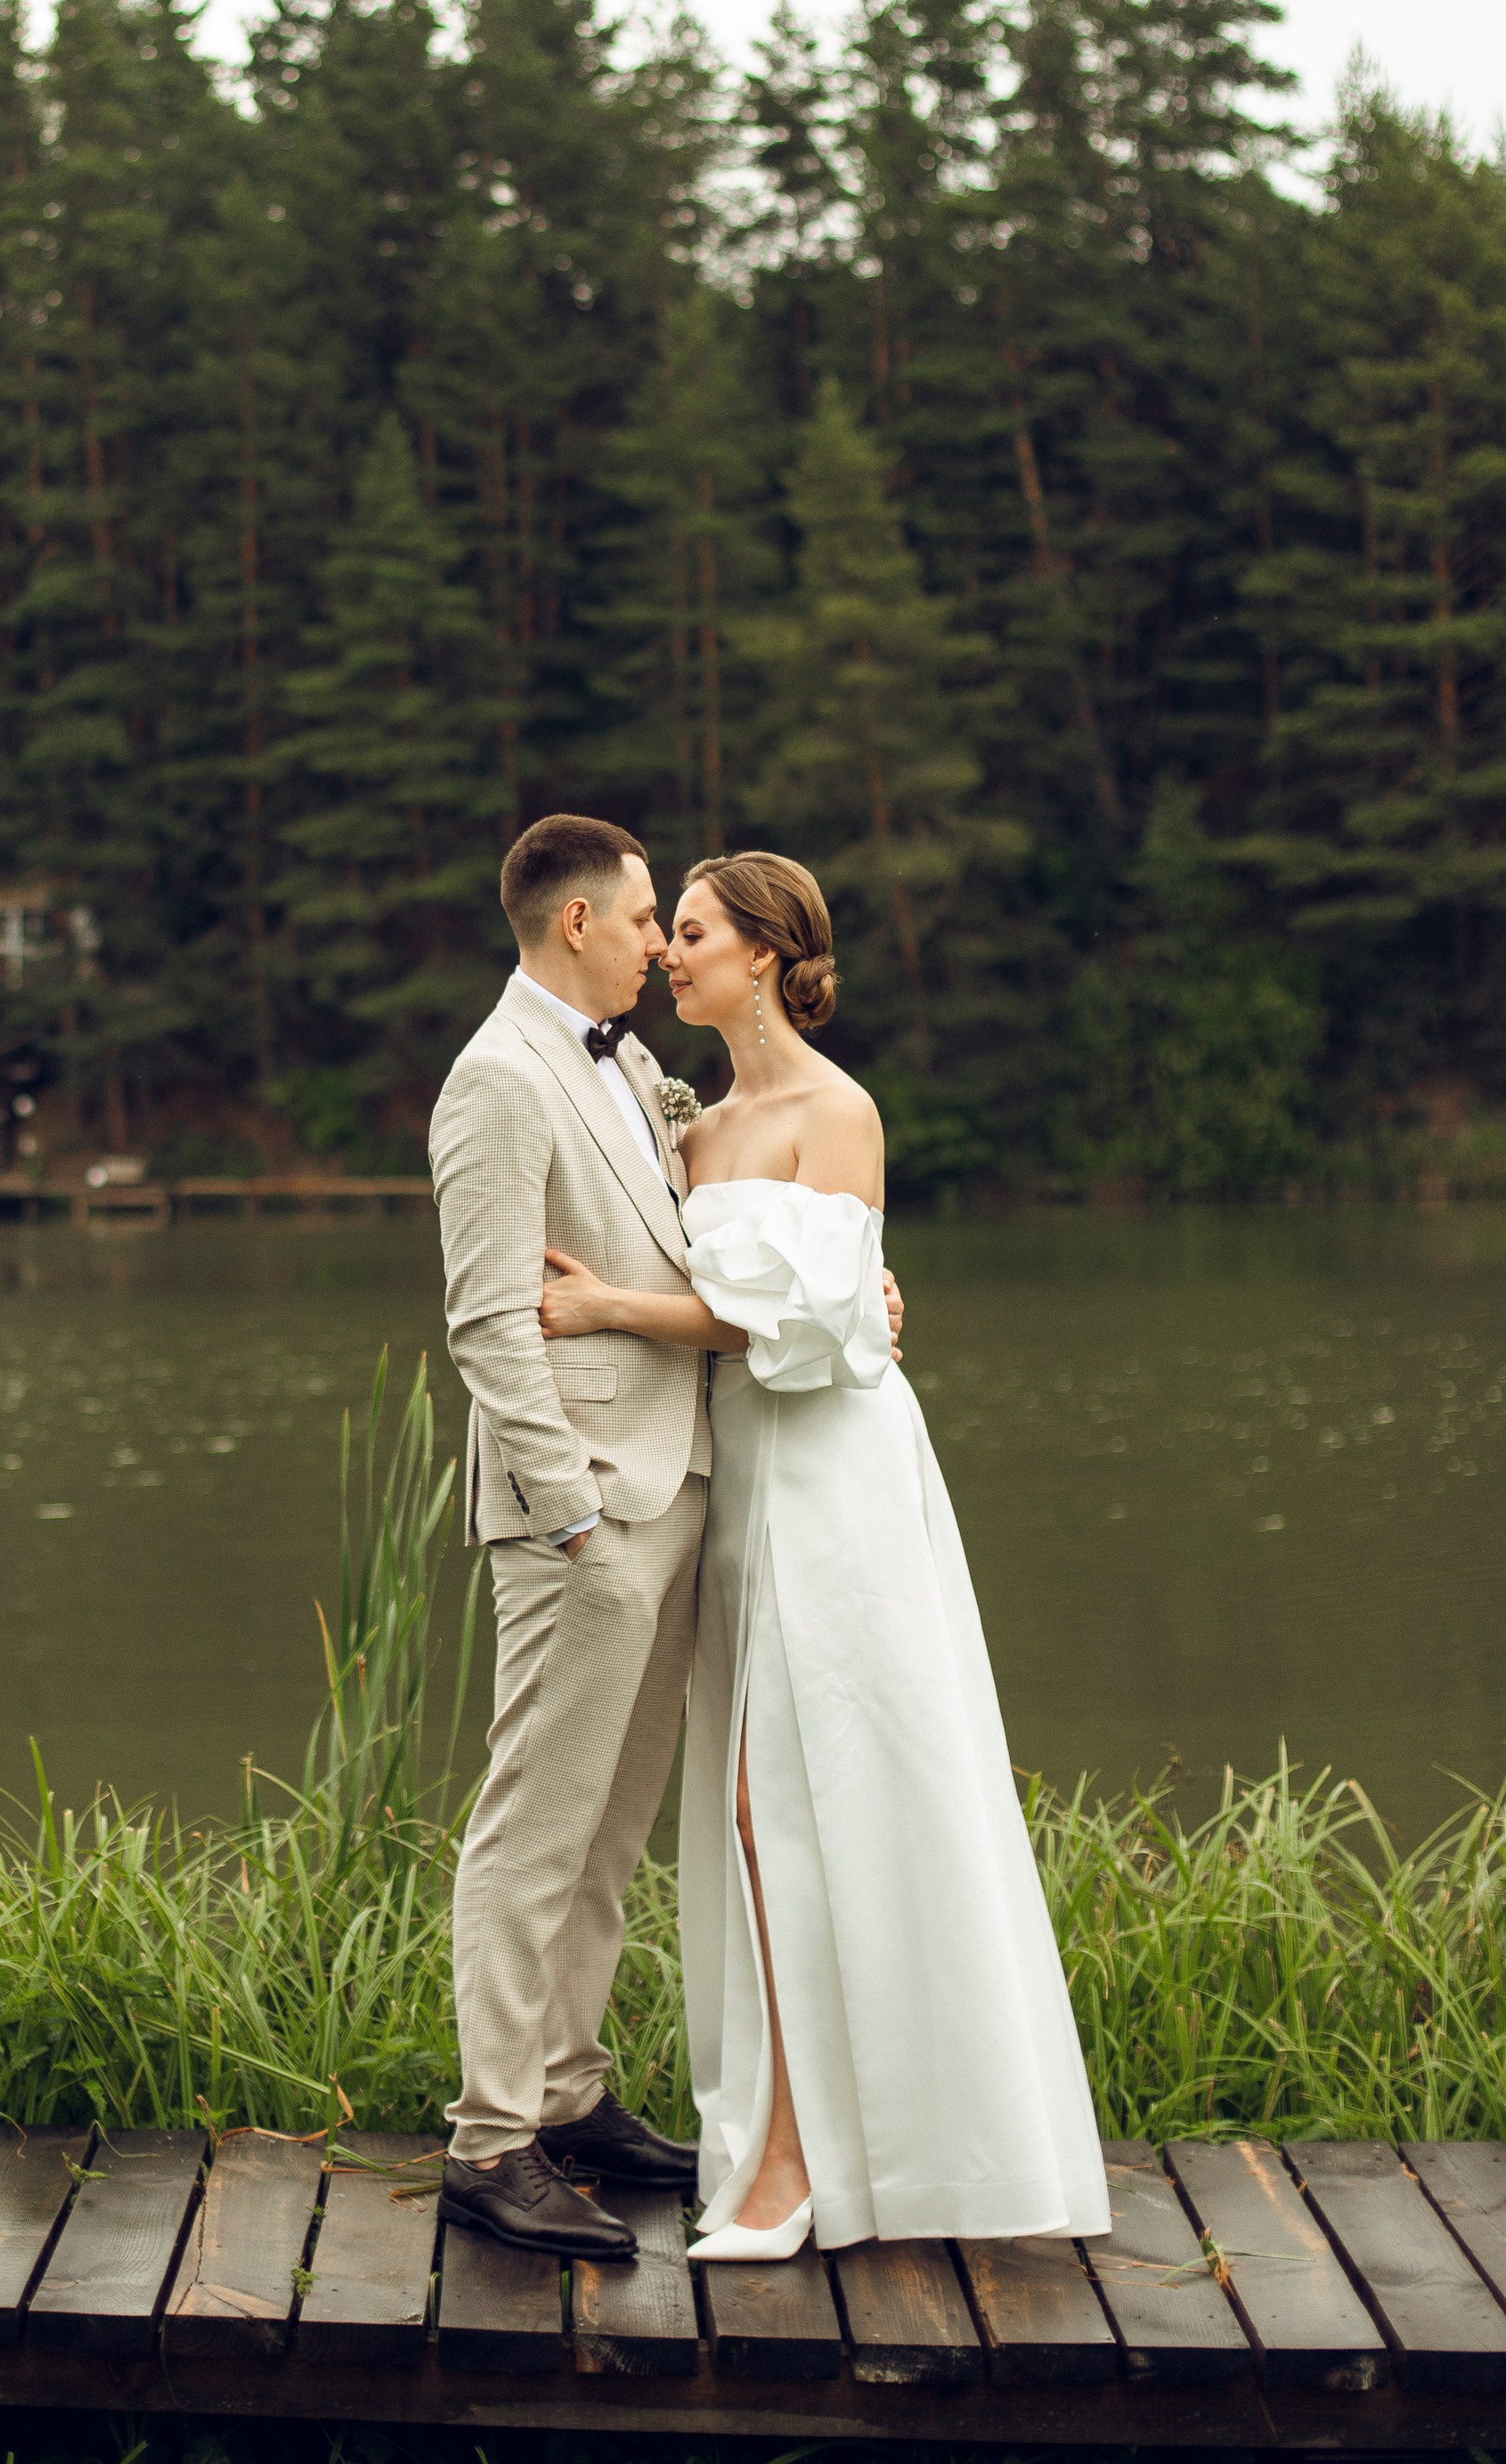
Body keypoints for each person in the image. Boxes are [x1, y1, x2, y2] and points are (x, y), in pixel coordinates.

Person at [537, 849, 1111, 2261]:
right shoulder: (687, 1129)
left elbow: (803, 1330)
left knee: (821, 1795)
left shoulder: (838, 1112)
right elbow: (762, 1299)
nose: (670, 951)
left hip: (840, 1476)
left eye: (693, 931)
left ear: (770, 954)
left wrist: (613, 1305)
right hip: (744, 1485)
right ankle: (798, 2149)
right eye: (663, 930)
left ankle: (818, 2164)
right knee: (755, 1808)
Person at [427, 814, 903, 2262]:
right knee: (535, 1825)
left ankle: (570, 2097)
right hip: (584, 1516)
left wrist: (864, 1294)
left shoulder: (634, 1071)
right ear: (579, 923)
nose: (656, 938)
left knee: (610, 1832)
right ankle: (492, 2137)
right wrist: (565, 1501)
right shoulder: (498, 1081)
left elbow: (755, 1237)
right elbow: (489, 1315)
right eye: (645, 916)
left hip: (683, 1487)